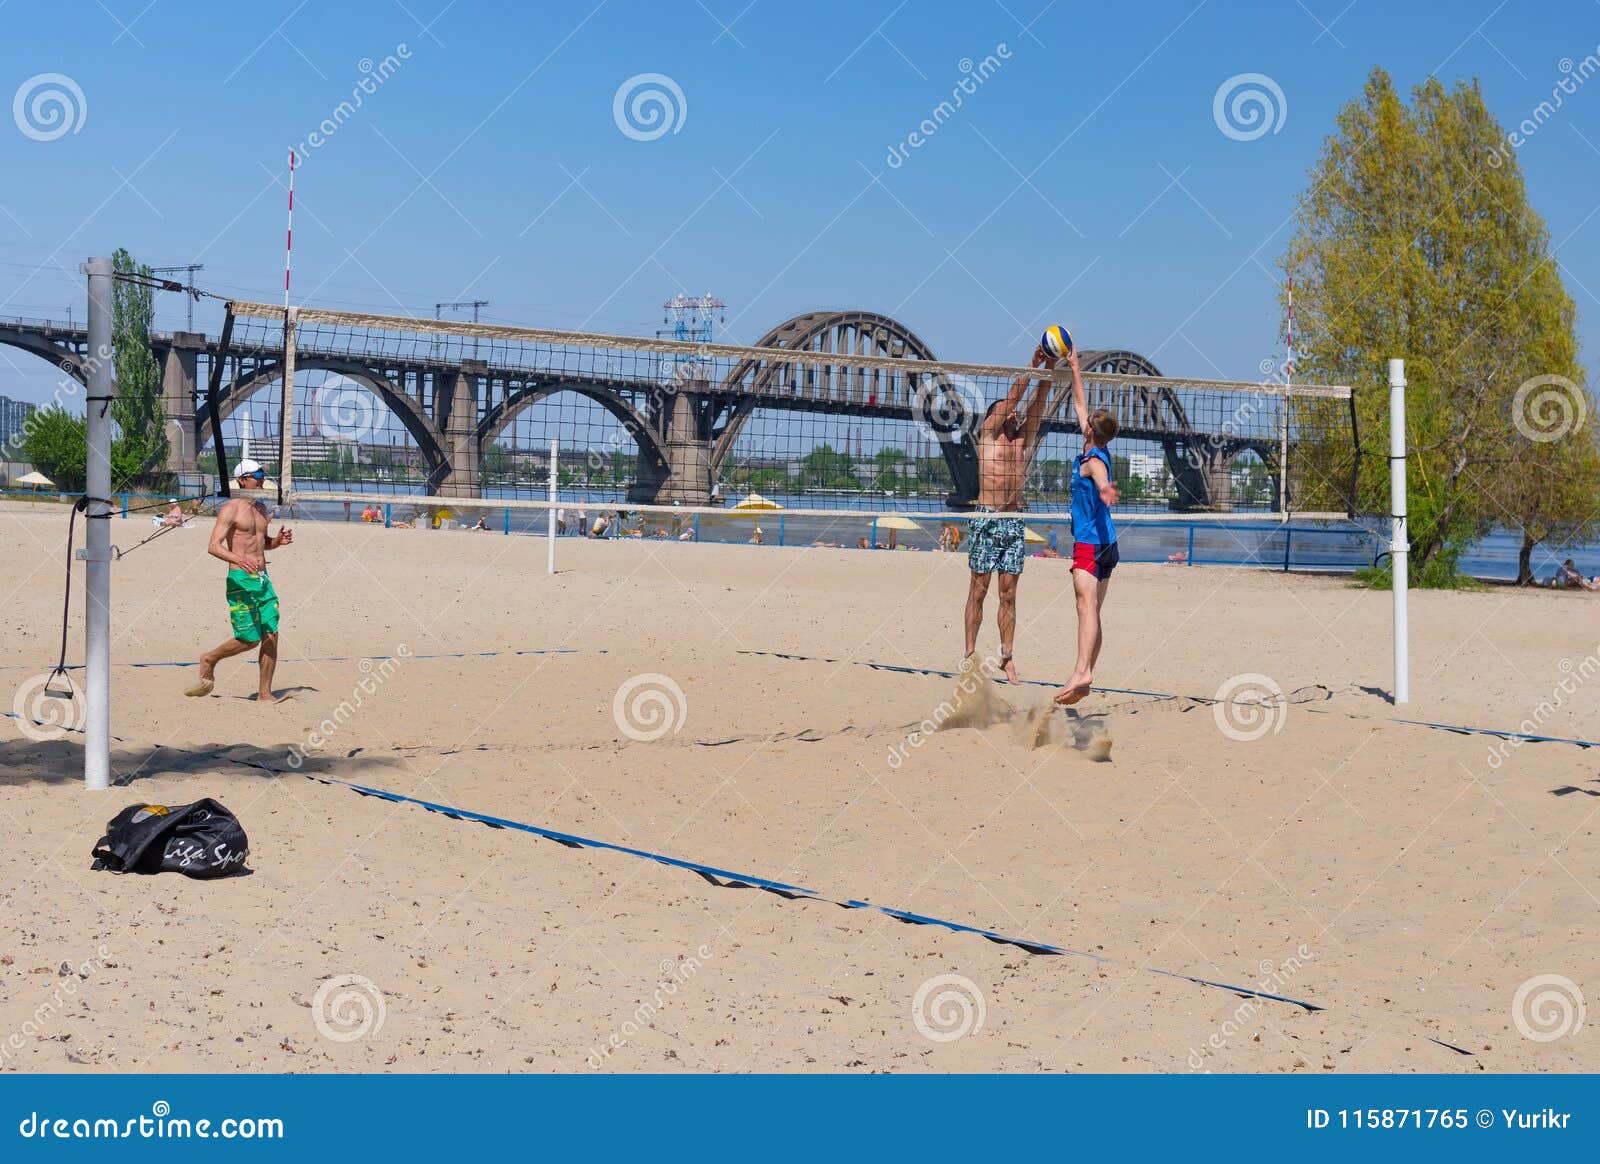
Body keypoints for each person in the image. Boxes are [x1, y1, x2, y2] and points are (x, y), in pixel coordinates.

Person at [963, 344, 1054, 683]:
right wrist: (1033, 363)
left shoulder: (1023, 441)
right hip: (986, 517)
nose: (1012, 413)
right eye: (1005, 410)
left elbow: (1038, 403)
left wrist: (1049, 367)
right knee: (978, 591)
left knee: (1009, 593)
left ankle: (1007, 656)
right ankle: (970, 654)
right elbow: (1014, 401)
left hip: (1013, 520)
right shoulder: (987, 435)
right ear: (994, 415)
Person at [184, 460, 294, 703]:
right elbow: (213, 546)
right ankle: (210, 658)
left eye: (263, 475)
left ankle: (265, 694)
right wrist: (239, 560)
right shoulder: (231, 509)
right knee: (250, 639)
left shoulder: (262, 508)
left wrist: (277, 542)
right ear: (243, 479)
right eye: (257, 475)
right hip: (240, 579)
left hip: (263, 579)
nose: (262, 479)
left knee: (271, 634)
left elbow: (261, 543)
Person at [1055, 346, 1122, 706]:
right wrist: (1075, 367)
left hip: (1090, 543)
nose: (1084, 418)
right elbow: (1080, 403)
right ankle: (1083, 674)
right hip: (1109, 543)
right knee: (1093, 611)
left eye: (1088, 420)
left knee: (1085, 609)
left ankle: (1083, 672)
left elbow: (1097, 476)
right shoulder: (1097, 445)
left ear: (1090, 431)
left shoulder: (1092, 459)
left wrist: (1105, 488)